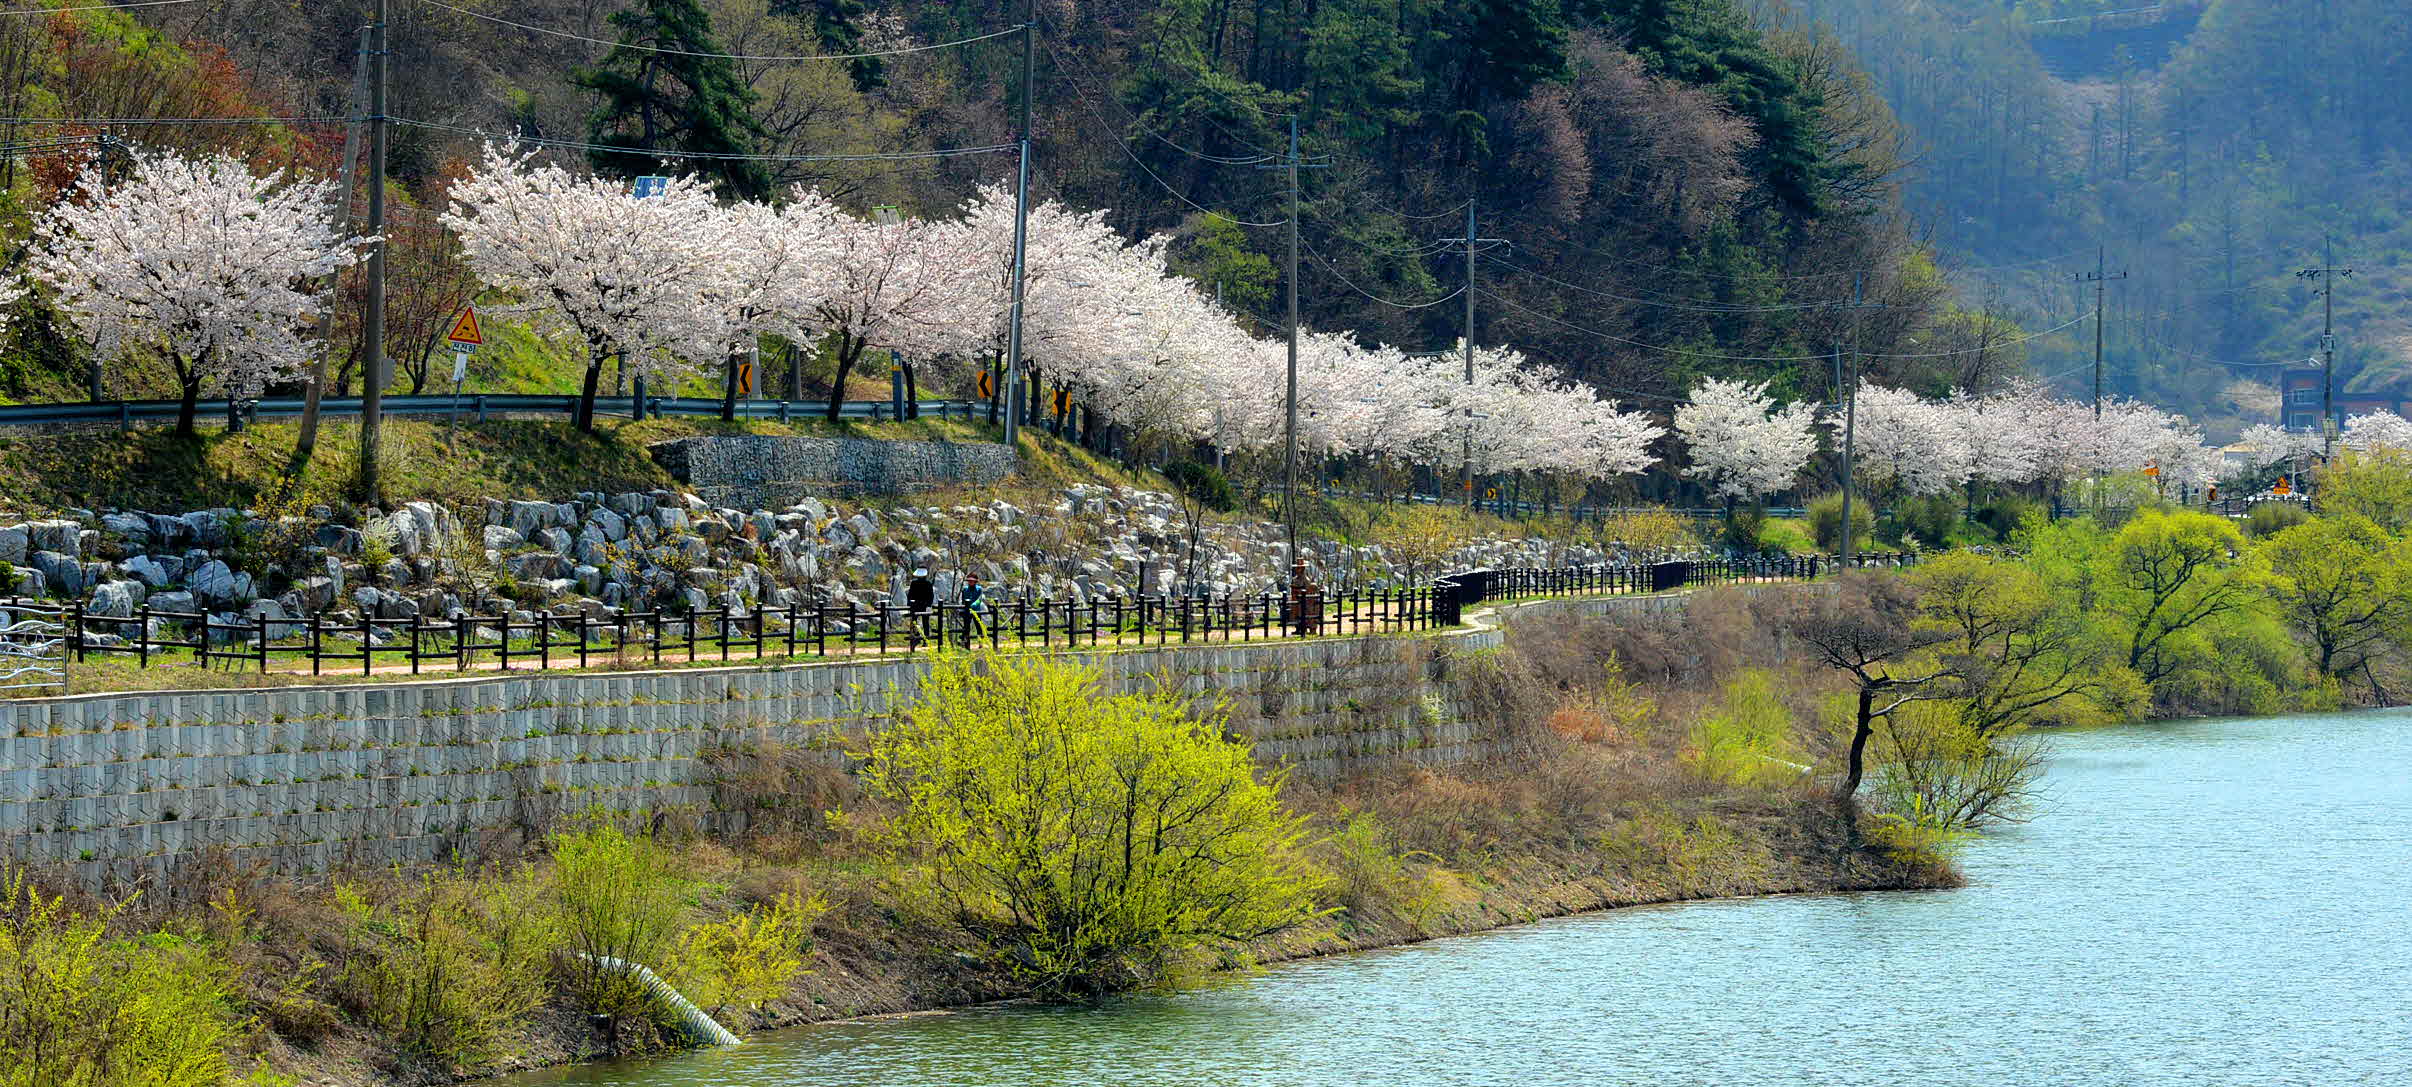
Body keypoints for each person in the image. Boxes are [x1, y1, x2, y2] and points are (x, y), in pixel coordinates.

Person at [906, 567, 935, 648]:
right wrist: (929, 605)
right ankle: (919, 639)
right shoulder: (927, 583)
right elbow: (931, 596)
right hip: (921, 606)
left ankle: (921, 639)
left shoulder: (914, 583)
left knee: (918, 623)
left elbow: (910, 595)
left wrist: (909, 603)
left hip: (917, 605)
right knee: (920, 623)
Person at [959, 574, 987, 647]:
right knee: (966, 626)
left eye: (972, 581)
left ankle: (980, 642)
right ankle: (964, 641)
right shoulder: (965, 589)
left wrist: (972, 605)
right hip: (967, 610)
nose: (970, 582)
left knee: (978, 626)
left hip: (976, 610)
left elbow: (979, 599)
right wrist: (964, 608)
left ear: (975, 582)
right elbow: (963, 599)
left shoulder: (979, 589)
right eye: (969, 581)